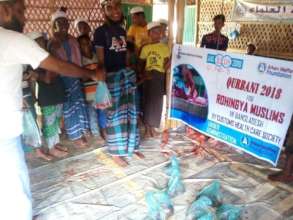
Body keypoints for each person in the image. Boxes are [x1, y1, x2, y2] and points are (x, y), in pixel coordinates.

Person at [0, 0, 101, 219]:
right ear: (5, 9)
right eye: (21, 11)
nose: (25, 17)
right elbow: (58, 66)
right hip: (4, 130)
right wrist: (92, 74)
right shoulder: (11, 39)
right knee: (15, 182)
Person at [94, 0, 143, 167]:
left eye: (117, 7)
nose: (115, 11)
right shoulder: (100, 32)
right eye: (110, 8)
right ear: (104, 10)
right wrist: (103, 82)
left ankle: (130, 147)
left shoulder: (122, 30)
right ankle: (115, 153)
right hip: (111, 79)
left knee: (129, 113)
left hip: (124, 77)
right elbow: (101, 60)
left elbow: (123, 56)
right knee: (113, 117)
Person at [49, 10, 91, 148]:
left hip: (75, 76)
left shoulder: (73, 39)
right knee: (69, 107)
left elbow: (78, 59)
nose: (62, 26)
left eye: (65, 23)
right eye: (58, 23)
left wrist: (80, 74)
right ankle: (75, 136)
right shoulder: (52, 43)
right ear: (53, 25)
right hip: (62, 80)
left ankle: (82, 130)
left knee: (79, 104)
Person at [27, 32, 69, 159]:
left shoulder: (50, 56)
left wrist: (44, 75)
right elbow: (46, 79)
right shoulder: (32, 60)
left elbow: (55, 73)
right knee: (49, 123)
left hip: (57, 93)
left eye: (42, 41)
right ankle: (51, 148)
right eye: (37, 42)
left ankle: (55, 144)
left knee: (55, 121)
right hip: (47, 97)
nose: (41, 43)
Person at [139, 22, 170, 138]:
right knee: (147, 103)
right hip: (148, 77)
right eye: (154, 32)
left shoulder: (165, 47)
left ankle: (153, 128)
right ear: (149, 33)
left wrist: (171, 61)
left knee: (157, 103)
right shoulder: (145, 48)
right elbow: (140, 64)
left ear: (161, 34)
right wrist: (143, 74)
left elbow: (166, 65)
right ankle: (147, 129)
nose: (157, 34)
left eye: (158, 32)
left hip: (159, 76)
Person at [78, 34, 107, 140]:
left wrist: (93, 74)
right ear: (79, 46)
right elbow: (82, 77)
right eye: (82, 44)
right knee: (92, 113)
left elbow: (102, 72)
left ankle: (103, 130)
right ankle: (96, 133)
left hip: (100, 89)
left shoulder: (96, 56)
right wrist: (93, 74)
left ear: (91, 43)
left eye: (88, 43)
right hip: (88, 92)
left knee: (102, 111)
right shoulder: (80, 60)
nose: (86, 45)